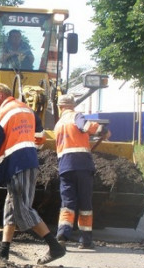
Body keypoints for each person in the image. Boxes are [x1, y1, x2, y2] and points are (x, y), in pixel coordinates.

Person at [0, 83, 65, 264]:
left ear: (2, 95)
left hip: (19, 167)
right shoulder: (26, 110)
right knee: (10, 208)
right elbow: (41, 138)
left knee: (23, 209)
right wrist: (26, 148)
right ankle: (4, 250)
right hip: (25, 164)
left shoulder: (1, 115)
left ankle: (55, 246)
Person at [54, 94, 111, 249]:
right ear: (73, 106)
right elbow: (85, 126)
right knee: (85, 203)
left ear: (60, 107)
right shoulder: (76, 116)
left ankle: (62, 235)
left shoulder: (58, 125)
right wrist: (103, 130)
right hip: (82, 165)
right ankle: (85, 240)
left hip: (65, 167)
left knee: (68, 203)